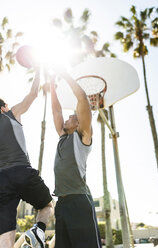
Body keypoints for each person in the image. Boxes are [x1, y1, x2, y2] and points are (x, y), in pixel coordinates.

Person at [0, 68, 53, 248]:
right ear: (3, 108)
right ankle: (38, 230)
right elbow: (33, 94)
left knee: (5, 235)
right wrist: (39, 71)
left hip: (1, 181)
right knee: (47, 205)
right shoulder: (11, 114)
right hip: (21, 171)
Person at [50, 68, 102, 248]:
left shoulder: (82, 138)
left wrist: (63, 73)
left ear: (79, 123)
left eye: (72, 116)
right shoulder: (62, 136)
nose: (68, 117)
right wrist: (52, 84)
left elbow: (82, 99)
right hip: (62, 203)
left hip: (79, 201)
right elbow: (56, 111)